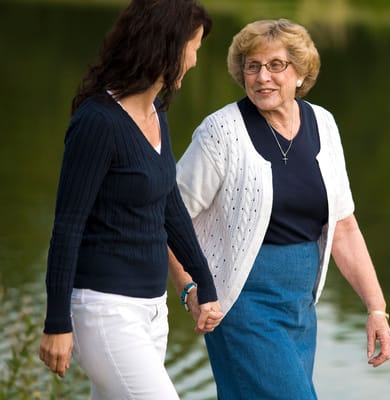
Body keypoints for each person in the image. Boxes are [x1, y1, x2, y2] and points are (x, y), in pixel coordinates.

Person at [169, 18, 390, 398]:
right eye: (252, 66)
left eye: (276, 65)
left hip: (300, 307)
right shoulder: (221, 131)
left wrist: (376, 308)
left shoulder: (323, 124)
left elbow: (344, 226)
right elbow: (168, 217)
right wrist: (189, 287)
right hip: (240, 301)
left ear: (301, 73)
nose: (262, 78)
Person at [38, 1, 223, 399]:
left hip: (152, 309)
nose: (194, 60)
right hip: (106, 310)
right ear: (168, 47)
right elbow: (68, 227)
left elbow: (169, 204)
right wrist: (56, 323)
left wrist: (203, 283)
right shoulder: (97, 122)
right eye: (193, 47)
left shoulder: (156, 114)